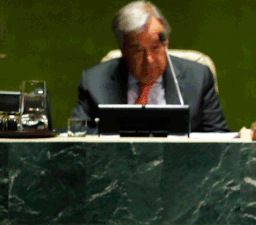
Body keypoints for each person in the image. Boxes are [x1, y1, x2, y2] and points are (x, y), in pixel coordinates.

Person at [70, 1, 228, 132]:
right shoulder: (94, 81)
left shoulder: (198, 77)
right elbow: (77, 136)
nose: (149, 60)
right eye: (138, 51)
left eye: (155, 47)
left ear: (166, 43)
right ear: (123, 50)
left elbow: (219, 138)